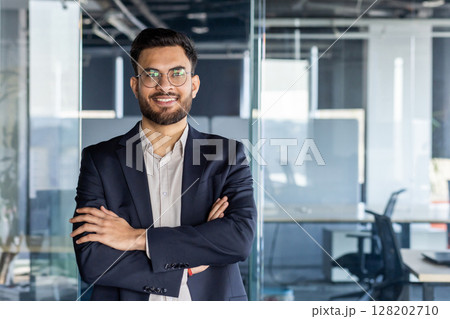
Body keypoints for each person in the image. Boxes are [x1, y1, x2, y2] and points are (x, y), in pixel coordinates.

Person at [69, 28, 257, 301]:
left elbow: (238, 240)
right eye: (151, 74)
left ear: (193, 84)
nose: (164, 86)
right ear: (135, 85)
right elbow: (93, 260)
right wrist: (188, 266)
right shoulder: (100, 160)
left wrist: (135, 238)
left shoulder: (226, 155)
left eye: (177, 74)